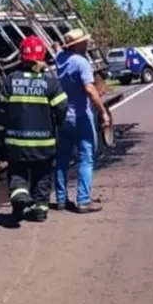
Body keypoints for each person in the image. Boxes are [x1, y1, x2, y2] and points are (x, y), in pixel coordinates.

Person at [0, 35, 68, 222]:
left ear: (21, 57)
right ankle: (40, 209)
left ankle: (20, 196)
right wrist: (57, 124)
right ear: (42, 57)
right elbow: (62, 108)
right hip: (44, 143)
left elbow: (1, 111)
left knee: (17, 173)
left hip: (16, 143)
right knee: (42, 177)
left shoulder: (10, 81)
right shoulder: (51, 83)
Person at [54, 28, 111, 213]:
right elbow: (89, 89)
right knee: (86, 158)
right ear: (77, 44)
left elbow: (56, 50)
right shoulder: (81, 62)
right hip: (80, 116)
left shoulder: (60, 59)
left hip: (63, 116)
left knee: (62, 159)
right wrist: (102, 111)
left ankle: (61, 198)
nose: (87, 44)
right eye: (84, 42)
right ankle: (83, 200)